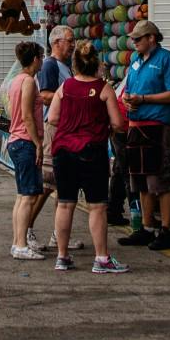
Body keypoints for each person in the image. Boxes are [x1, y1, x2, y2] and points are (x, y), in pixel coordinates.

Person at [46, 42, 129, 274]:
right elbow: (118, 123)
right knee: (97, 207)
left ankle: (62, 256)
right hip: (92, 151)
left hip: (64, 151)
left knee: (65, 203)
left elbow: (52, 118)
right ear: (96, 64)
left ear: (74, 64)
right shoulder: (104, 89)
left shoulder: (65, 87)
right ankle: (101, 258)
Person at [118, 19, 170, 251]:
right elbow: (129, 89)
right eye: (133, 39)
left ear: (151, 38)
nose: (134, 43)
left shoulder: (167, 59)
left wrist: (144, 99)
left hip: (156, 126)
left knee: (160, 180)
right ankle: (147, 227)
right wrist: (127, 100)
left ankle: (165, 230)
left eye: (138, 39)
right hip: (136, 125)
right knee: (141, 180)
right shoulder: (135, 60)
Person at [4, 42, 49, 259]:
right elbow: (27, 115)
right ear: (35, 59)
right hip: (25, 141)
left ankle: (18, 242)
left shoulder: (16, 80)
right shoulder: (29, 81)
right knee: (29, 196)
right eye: (41, 57)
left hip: (17, 140)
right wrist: (38, 143)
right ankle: (21, 245)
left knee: (23, 196)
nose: (42, 61)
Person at [40, 25, 73, 95]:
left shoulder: (64, 65)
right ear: (57, 42)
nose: (73, 45)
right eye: (69, 41)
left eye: (73, 41)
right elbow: (45, 96)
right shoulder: (49, 65)